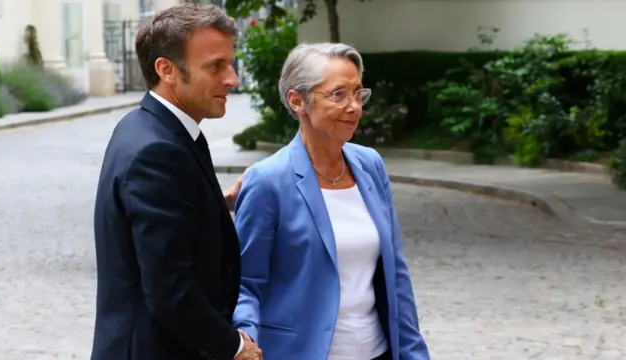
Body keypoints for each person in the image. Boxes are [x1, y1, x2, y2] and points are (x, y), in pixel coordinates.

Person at [232, 43, 431, 360]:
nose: (354, 107)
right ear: (297, 101)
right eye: (338, 95)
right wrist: (246, 343)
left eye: (358, 93)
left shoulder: (370, 165)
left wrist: (413, 353)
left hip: (376, 351)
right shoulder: (268, 180)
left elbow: (396, 276)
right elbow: (245, 282)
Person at [91, 4, 261, 360]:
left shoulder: (144, 125)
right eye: (215, 65)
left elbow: (170, 217)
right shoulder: (157, 150)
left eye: (230, 63)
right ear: (166, 69)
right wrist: (235, 346)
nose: (232, 78)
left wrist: (221, 202)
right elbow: (171, 292)